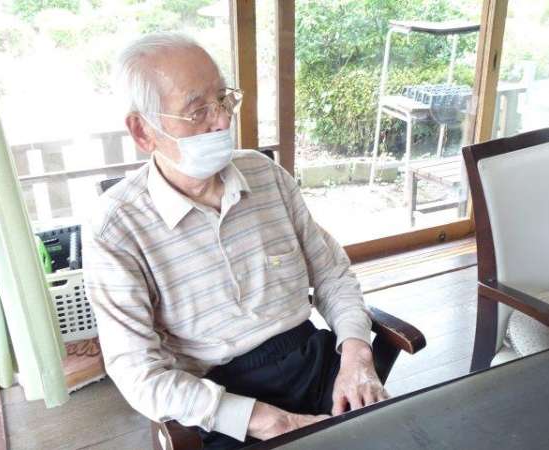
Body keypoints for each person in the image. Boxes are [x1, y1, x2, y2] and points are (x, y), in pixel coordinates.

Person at [83, 32, 388, 449]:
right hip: (219, 401)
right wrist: (270, 421)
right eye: (198, 111)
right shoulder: (116, 228)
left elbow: (332, 274)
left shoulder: (266, 176)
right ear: (143, 131)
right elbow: (138, 373)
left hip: (313, 361)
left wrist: (356, 357)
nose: (223, 121)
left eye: (223, 99)